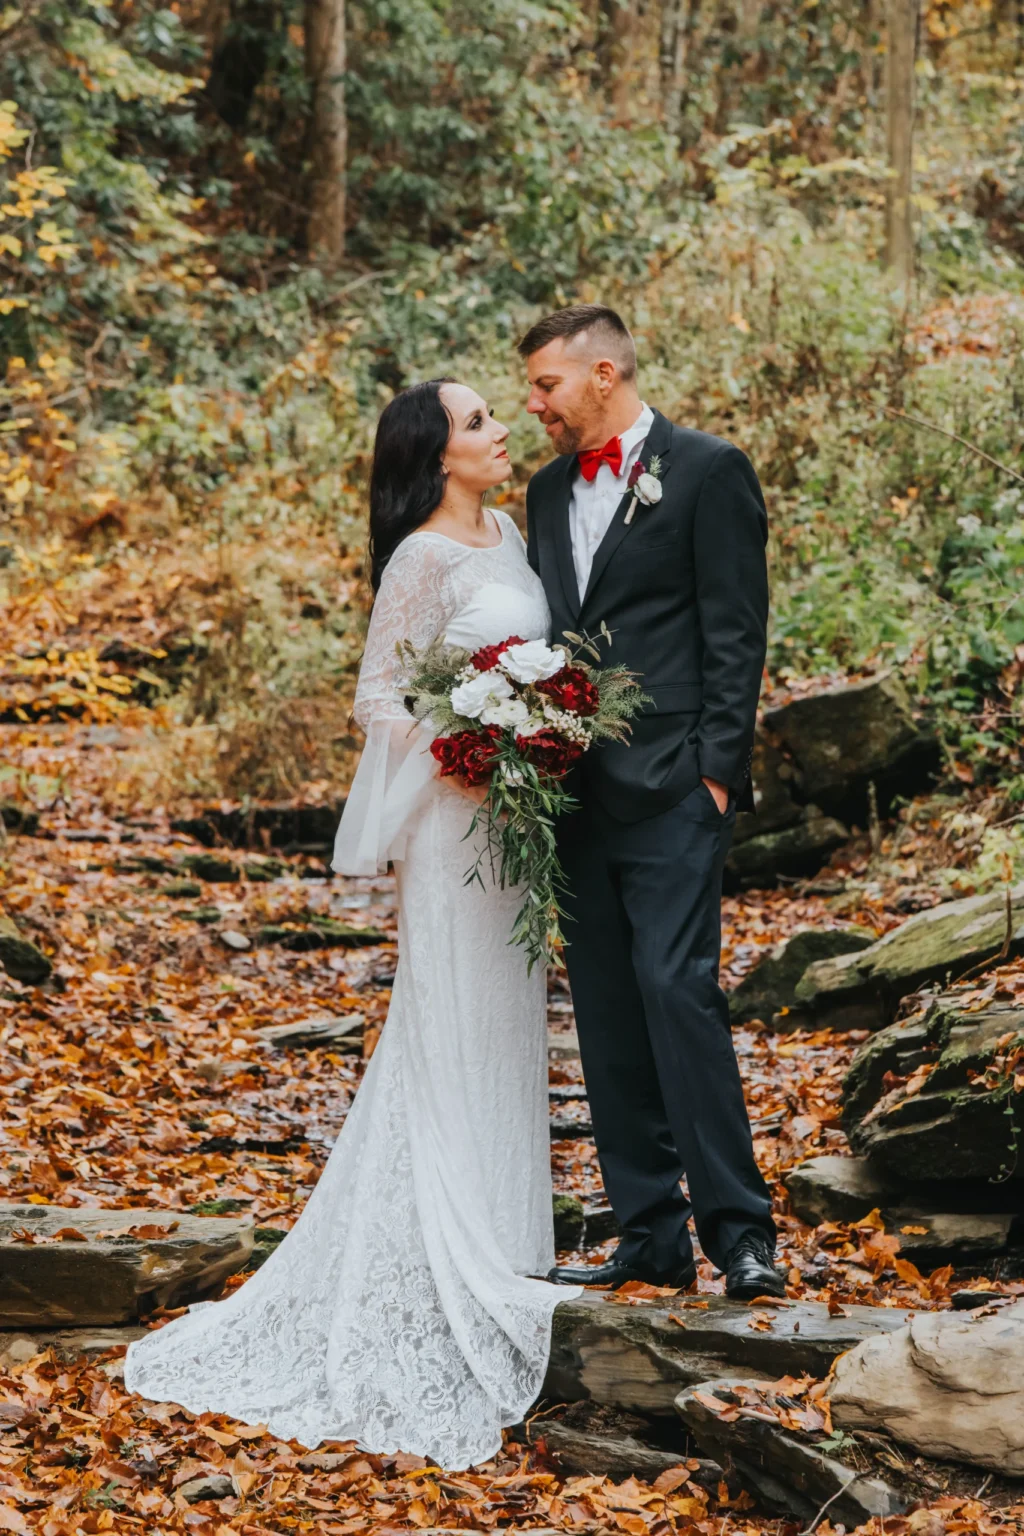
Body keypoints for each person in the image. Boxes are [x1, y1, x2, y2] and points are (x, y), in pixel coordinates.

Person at [123, 378, 580, 1470]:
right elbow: (379, 696)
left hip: (510, 828)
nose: (500, 429)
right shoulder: (420, 559)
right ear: (434, 456)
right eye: (478, 421)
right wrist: (468, 749)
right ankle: (433, 1251)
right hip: (451, 825)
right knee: (449, 1017)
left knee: (509, 1023)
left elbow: (528, 665)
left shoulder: (510, 532)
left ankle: (508, 1240)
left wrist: (540, 723)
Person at [520, 304, 783, 1301]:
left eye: (545, 384)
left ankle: (741, 1232)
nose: (535, 405)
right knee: (604, 1009)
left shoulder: (709, 470)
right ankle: (648, 1235)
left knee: (679, 995)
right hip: (573, 792)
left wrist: (717, 770)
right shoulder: (547, 492)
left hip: (675, 785)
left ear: (602, 371)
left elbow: (735, 631)